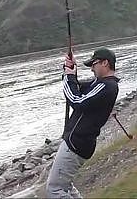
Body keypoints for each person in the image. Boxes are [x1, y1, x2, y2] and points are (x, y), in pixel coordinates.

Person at [46, 47, 119, 198]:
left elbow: (76, 100)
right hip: (79, 142)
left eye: (94, 63)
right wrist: (70, 70)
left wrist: (69, 76)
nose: (92, 68)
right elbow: (78, 88)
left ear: (105, 63)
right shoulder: (100, 83)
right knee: (66, 186)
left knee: (55, 190)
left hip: (76, 143)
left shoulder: (106, 86)